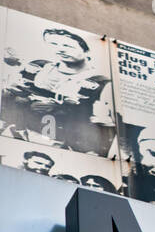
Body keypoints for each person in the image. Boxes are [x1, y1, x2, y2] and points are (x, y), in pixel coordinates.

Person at [1, 28, 114, 156]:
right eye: (54, 45)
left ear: (85, 49)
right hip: (22, 136)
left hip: (69, 146)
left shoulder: (101, 82)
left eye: (67, 45)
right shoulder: (37, 67)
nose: (60, 49)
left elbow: (103, 128)